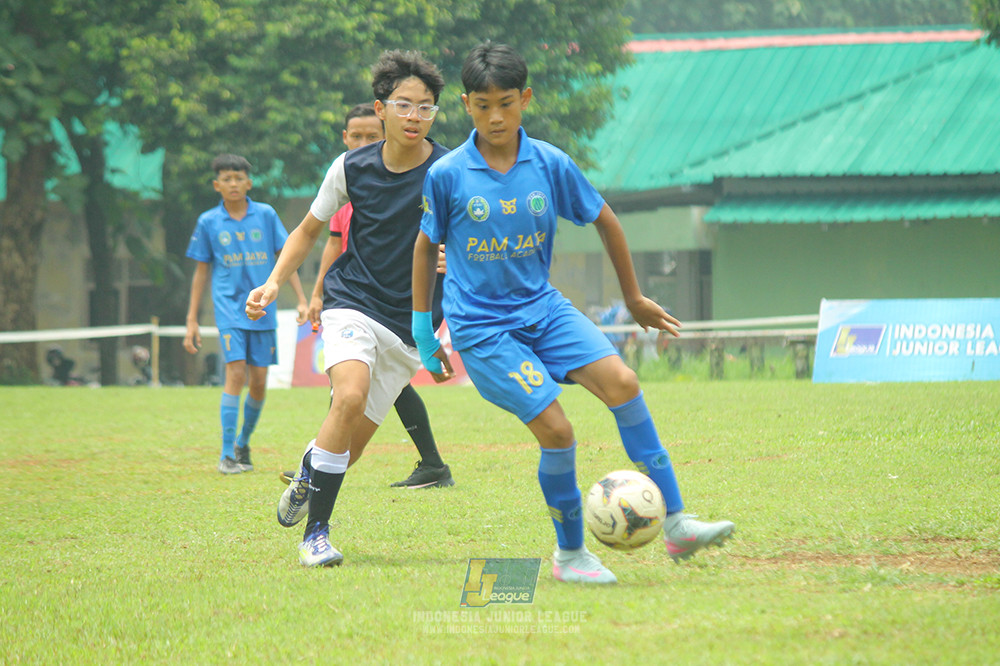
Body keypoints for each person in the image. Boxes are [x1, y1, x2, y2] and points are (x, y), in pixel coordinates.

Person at [412, 42, 735, 584]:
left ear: (526, 99)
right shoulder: (447, 174)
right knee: (558, 432)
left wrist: (634, 299)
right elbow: (426, 247)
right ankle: (569, 557)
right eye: (483, 104)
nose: (496, 116)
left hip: (543, 308)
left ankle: (677, 524)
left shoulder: (549, 162)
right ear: (465, 104)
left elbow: (606, 220)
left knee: (625, 383)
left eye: (507, 103)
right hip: (484, 330)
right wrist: (425, 328)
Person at [246, 50, 450, 567]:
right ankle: (316, 535)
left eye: (426, 108)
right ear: (381, 108)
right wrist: (273, 283)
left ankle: (308, 473)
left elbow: (478, 240)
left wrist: (460, 258)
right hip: (351, 302)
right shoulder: (350, 167)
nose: (414, 116)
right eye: (404, 105)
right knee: (348, 398)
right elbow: (309, 230)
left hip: (410, 324)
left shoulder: (450, 170)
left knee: (350, 449)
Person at [289, 102, 453, 490]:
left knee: (377, 395)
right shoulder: (347, 184)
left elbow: (442, 237)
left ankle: (321, 463)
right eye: (356, 137)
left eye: (370, 136)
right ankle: (316, 482)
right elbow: (332, 246)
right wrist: (316, 294)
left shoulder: (429, 177)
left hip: (403, 312)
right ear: (346, 139)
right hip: (354, 302)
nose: (363, 142)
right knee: (349, 391)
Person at [184, 153, 308, 474]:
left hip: (262, 309)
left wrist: (302, 300)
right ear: (217, 185)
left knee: (259, 382)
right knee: (235, 373)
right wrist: (192, 319)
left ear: (249, 183)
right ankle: (226, 455)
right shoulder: (208, 222)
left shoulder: (265, 215)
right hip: (228, 309)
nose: (233, 183)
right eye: (226, 178)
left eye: (239, 178)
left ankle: (242, 442)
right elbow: (200, 272)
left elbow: (286, 258)